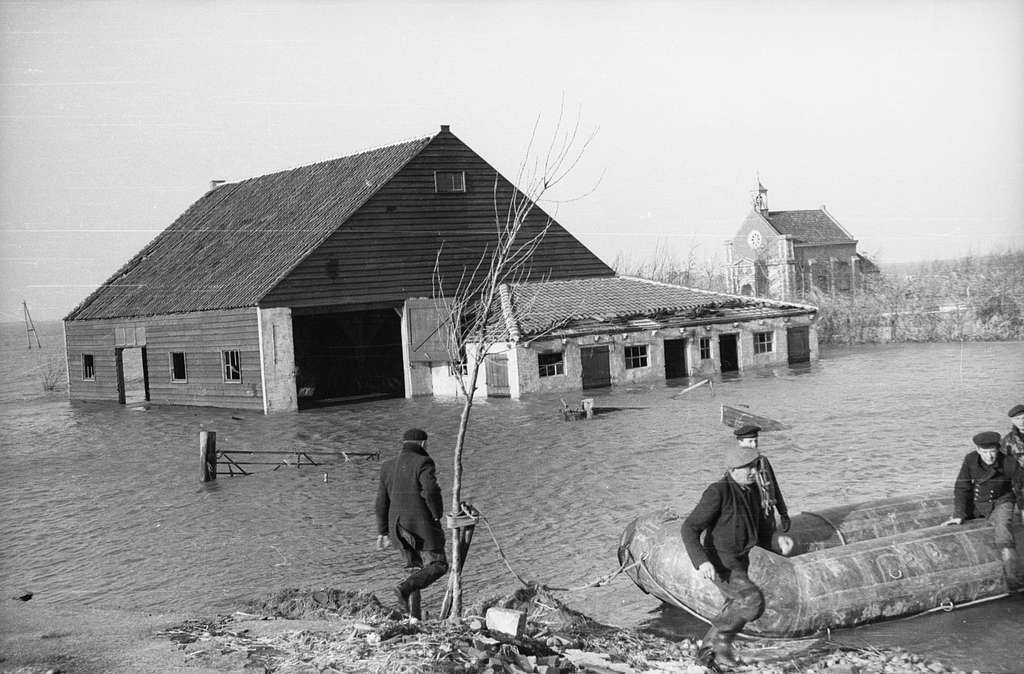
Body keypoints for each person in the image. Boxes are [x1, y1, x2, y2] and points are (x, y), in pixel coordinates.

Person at [681, 442, 794, 668]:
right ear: (733, 470)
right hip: (720, 562)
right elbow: (689, 528)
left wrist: (777, 539)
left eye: (754, 466)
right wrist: (701, 561)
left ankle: (707, 654)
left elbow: (761, 531)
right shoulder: (718, 492)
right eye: (748, 467)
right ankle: (720, 646)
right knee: (752, 601)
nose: (754, 472)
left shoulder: (751, 492)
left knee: (737, 603)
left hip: (740, 560)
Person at [374, 428, 448, 620]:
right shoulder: (424, 462)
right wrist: (437, 514)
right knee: (438, 564)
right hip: (419, 526)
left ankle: (411, 615)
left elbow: (381, 502)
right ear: (423, 443)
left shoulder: (387, 466)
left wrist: (382, 531)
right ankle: (403, 589)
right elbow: (431, 490)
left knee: (415, 569)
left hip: (396, 528)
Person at [943, 431, 1020, 586]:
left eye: (992, 452)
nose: (989, 456)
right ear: (978, 450)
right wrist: (959, 513)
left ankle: (1012, 577)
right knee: (954, 523)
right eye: (985, 452)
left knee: (1003, 530)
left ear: (998, 449)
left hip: (1002, 501)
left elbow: (1020, 487)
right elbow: (962, 487)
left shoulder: (1009, 462)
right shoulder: (970, 459)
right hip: (979, 502)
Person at [734, 425, 791, 537]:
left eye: (756, 441)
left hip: (766, 517)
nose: (754, 445)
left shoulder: (763, 461)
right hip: (749, 519)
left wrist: (783, 513)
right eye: (750, 442)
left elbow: (774, 486)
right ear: (740, 443)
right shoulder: (735, 465)